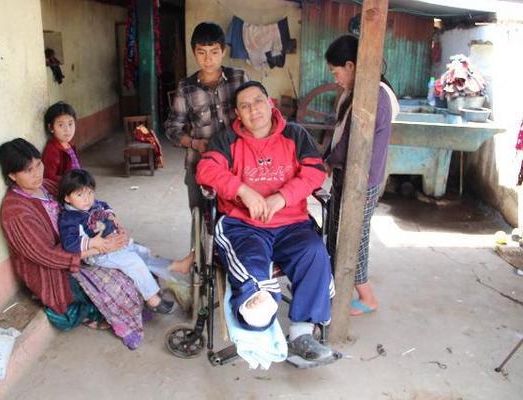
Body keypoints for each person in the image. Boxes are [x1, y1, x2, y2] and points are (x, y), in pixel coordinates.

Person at [196, 81, 335, 362]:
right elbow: (206, 169)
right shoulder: (227, 140)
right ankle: (257, 318)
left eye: (258, 101)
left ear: (269, 102)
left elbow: (314, 173)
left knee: (314, 252)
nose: (253, 109)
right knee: (251, 258)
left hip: (291, 222)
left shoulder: (295, 135)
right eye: (244, 106)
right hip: (243, 225)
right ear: (237, 113)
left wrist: (281, 198)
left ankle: (301, 334)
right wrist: (243, 191)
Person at [0, 138, 146, 349]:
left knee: (133, 255)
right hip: (53, 267)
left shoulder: (48, 186)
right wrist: (98, 247)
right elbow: (46, 256)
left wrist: (112, 222)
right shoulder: (16, 211)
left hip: (81, 246)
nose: (37, 173)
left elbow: (88, 201)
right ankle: (104, 315)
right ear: (12, 175)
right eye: (28, 170)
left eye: (38, 164)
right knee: (116, 280)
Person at [323, 35, 399, 316]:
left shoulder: (374, 96)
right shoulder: (356, 93)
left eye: (336, 71)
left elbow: (354, 144)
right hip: (349, 177)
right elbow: (340, 136)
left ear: (351, 65)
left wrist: (328, 162)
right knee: (335, 230)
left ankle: (367, 297)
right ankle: (332, 286)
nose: (336, 78)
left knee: (354, 238)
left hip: (361, 182)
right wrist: (327, 161)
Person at [57, 169, 194, 314]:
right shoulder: (69, 219)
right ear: (67, 198)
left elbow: (104, 206)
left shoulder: (92, 204)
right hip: (100, 254)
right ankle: (152, 299)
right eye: (80, 195)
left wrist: (113, 219)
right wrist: (93, 243)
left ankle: (176, 266)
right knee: (134, 263)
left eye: (90, 193)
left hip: (115, 241)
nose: (87, 199)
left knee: (143, 253)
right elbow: (70, 243)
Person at [164, 21, 248, 209]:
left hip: (239, 165)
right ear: (194, 52)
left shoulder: (239, 79)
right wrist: (195, 143)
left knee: (238, 219)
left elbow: (257, 117)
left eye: (214, 52)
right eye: (202, 52)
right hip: (199, 164)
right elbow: (172, 128)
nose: (208, 59)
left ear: (223, 51)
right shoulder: (186, 87)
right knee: (201, 219)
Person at [41, 101, 81, 183]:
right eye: (61, 125)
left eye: (70, 124)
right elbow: (48, 177)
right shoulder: (52, 150)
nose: (67, 129)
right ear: (51, 128)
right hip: (66, 190)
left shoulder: (69, 145)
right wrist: (70, 183)